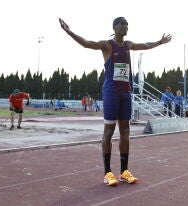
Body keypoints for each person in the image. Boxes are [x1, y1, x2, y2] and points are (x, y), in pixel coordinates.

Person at [59, 16, 172, 186]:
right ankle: (107, 173)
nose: (126, 26)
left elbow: (146, 45)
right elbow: (86, 43)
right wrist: (69, 31)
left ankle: (124, 171)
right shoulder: (107, 45)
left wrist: (160, 42)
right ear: (115, 27)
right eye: (122, 24)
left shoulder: (128, 45)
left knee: (125, 131)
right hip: (111, 92)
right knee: (109, 131)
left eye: (127, 24)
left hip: (126, 93)